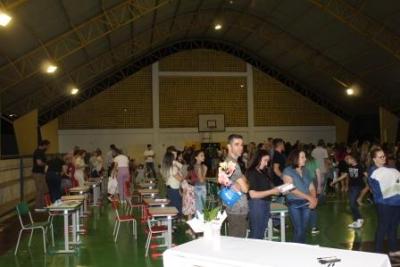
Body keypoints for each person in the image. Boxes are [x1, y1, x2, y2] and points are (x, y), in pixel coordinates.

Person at [368, 148, 400, 256]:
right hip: (384, 204)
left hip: (397, 202)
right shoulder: (373, 171)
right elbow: (377, 188)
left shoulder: (389, 168)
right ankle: (377, 252)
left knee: (394, 226)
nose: (384, 158)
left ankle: (393, 249)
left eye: (384, 156)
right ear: (374, 159)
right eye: (380, 157)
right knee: (383, 226)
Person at [283, 149, 318, 243]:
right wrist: (309, 198)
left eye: (305, 157)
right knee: (299, 230)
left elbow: (311, 187)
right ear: (295, 159)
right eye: (302, 157)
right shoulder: (288, 171)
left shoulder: (306, 170)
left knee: (303, 229)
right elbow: (290, 188)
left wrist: (314, 199)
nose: (305, 159)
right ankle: (296, 251)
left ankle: (301, 249)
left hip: (306, 203)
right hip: (294, 203)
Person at [246, 149, 280, 239]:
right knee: (256, 233)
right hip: (256, 205)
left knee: (260, 233)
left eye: (267, 161)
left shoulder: (262, 172)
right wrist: (272, 191)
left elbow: (265, 189)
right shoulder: (252, 173)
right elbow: (252, 194)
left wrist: (278, 190)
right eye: (265, 160)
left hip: (264, 204)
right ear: (258, 159)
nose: (266, 164)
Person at [331, 155, 366, 228]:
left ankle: (359, 219)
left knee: (352, 203)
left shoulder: (360, 166)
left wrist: (373, 184)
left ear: (352, 158)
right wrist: (335, 181)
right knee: (351, 204)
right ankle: (357, 220)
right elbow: (344, 176)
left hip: (358, 186)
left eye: (347, 159)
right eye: (346, 160)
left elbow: (366, 175)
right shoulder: (349, 167)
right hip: (351, 187)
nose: (346, 161)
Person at [224, 134, 249, 238]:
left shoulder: (229, 161)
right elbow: (246, 188)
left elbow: (243, 183)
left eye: (242, 145)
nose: (240, 147)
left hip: (234, 207)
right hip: (237, 208)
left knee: (236, 241)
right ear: (229, 147)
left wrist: (241, 183)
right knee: (237, 242)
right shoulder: (231, 163)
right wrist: (243, 183)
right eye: (236, 144)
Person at [305, 147, 322, 234]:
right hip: (312, 183)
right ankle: (314, 227)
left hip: (303, 183)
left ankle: (305, 225)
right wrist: (319, 186)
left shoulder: (301, 161)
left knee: (304, 203)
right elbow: (318, 174)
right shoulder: (314, 161)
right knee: (313, 204)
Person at [161, 150, 183, 216]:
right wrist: (180, 173)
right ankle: (176, 220)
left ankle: (172, 220)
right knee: (177, 206)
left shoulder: (165, 168)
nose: (175, 158)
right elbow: (180, 179)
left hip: (169, 188)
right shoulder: (173, 168)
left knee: (172, 205)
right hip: (174, 189)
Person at [32, 140, 50, 208]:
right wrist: (46, 163)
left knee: (44, 189)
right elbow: (39, 163)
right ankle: (38, 206)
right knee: (40, 190)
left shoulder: (41, 152)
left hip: (41, 173)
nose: (48, 147)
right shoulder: (38, 152)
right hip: (38, 173)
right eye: (47, 145)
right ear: (44, 145)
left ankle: (43, 205)